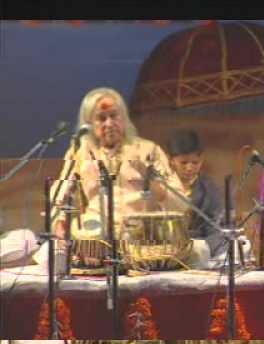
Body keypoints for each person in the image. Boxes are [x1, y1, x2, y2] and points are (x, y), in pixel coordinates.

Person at [33, 87, 194, 272]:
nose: (109, 123)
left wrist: (153, 181)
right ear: (89, 124)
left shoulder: (148, 150)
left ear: (124, 118)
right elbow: (59, 197)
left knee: (199, 252)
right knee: (49, 256)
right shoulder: (80, 152)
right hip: (95, 243)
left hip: (142, 244)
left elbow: (181, 203)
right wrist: (60, 224)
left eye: (114, 116)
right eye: (101, 118)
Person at [166, 130, 226, 258]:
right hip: (164, 247)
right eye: (183, 162)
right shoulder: (162, 186)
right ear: (171, 160)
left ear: (202, 160)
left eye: (195, 162)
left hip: (199, 248)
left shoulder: (208, 188)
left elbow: (216, 226)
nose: (189, 167)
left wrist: (206, 247)